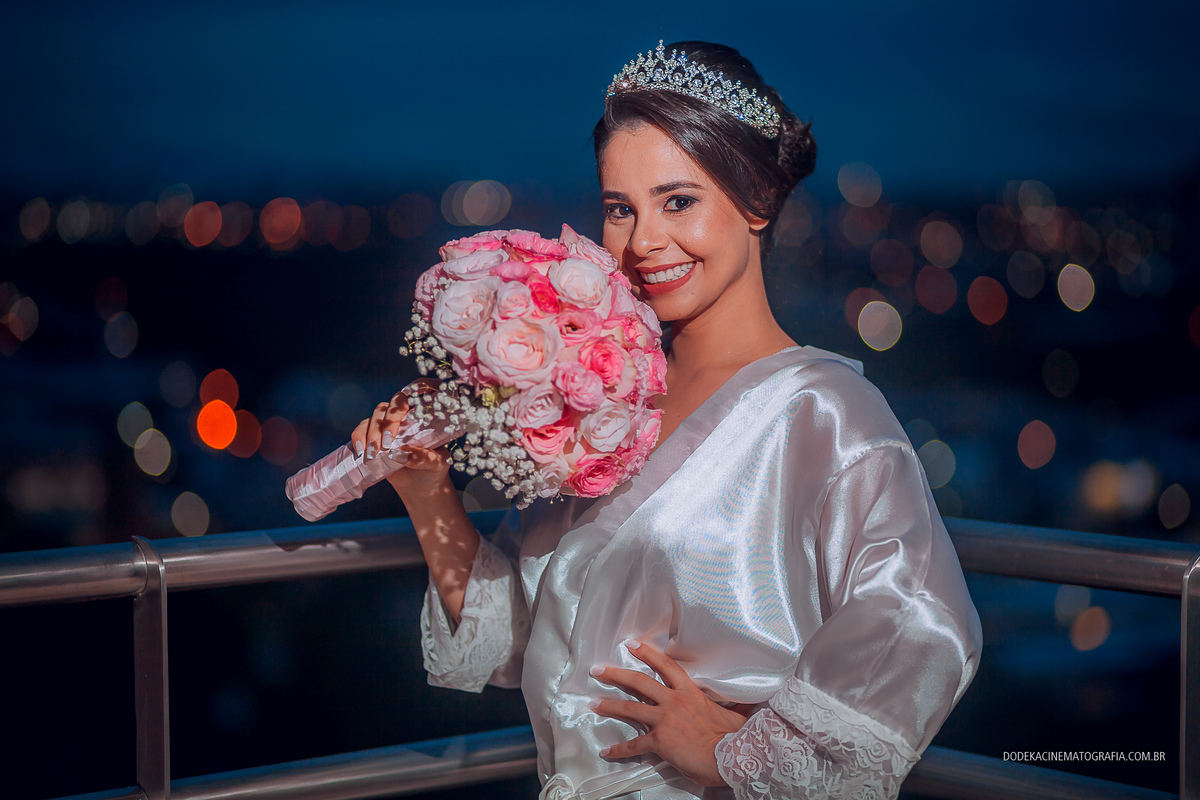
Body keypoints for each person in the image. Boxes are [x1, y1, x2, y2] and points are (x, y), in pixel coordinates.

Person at [354, 40, 982, 800]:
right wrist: (426, 489)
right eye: (622, 208)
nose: (644, 242)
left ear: (758, 202)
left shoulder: (825, 413)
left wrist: (739, 753)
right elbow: (522, 640)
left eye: (677, 201)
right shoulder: (603, 398)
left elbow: (923, 622)